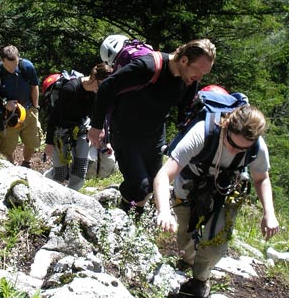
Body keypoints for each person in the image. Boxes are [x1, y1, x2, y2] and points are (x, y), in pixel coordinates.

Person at [153, 104, 280, 298]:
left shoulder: (257, 146)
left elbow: (261, 178)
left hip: (225, 190)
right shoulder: (202, 133)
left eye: (242, 148)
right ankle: (187, 260)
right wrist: (164, 211)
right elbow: (164, 174)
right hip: (189, 185)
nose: (234, 150)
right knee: (185, 230)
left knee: (217, 244)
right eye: (232, 143)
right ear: (226, 125)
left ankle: (200, 279)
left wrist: (269, 213)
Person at [88, 38, 216, 215]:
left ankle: (131, 222)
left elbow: (185, 113)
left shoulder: (188, 80)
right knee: (139, 186)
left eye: (204, 74)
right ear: (184, 60)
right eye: (198, 71)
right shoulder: (148, 66)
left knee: (153, 185)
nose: (200, 78)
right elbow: (107, 87)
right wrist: (96, 126)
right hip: (125, 134)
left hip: (154, 136)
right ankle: (118, 216)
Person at [45, 63, 113, 190]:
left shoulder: (96, 93)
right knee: (60, 174)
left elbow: (99, 117)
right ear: (93, 77)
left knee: (80, 169)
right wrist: (49, 143)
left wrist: (106, 141)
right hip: (60, 132)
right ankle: (42, 183)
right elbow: (54, 117)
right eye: (100, 84)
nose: (101, 89)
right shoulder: (70, 89)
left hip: (81, 130)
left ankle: (72, 197)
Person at [0, 45, 42, 167]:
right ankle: (11, 163)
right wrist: (4, 104)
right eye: (8, 66)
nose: (12, 69)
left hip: (28, 108)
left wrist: (35, 106)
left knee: (33, 140)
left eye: (14, 66)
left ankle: (26, 163)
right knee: (7, 144)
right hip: (8, 114)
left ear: (18, 58)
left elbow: (34, 86)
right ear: (1, 60)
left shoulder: (26, 67)